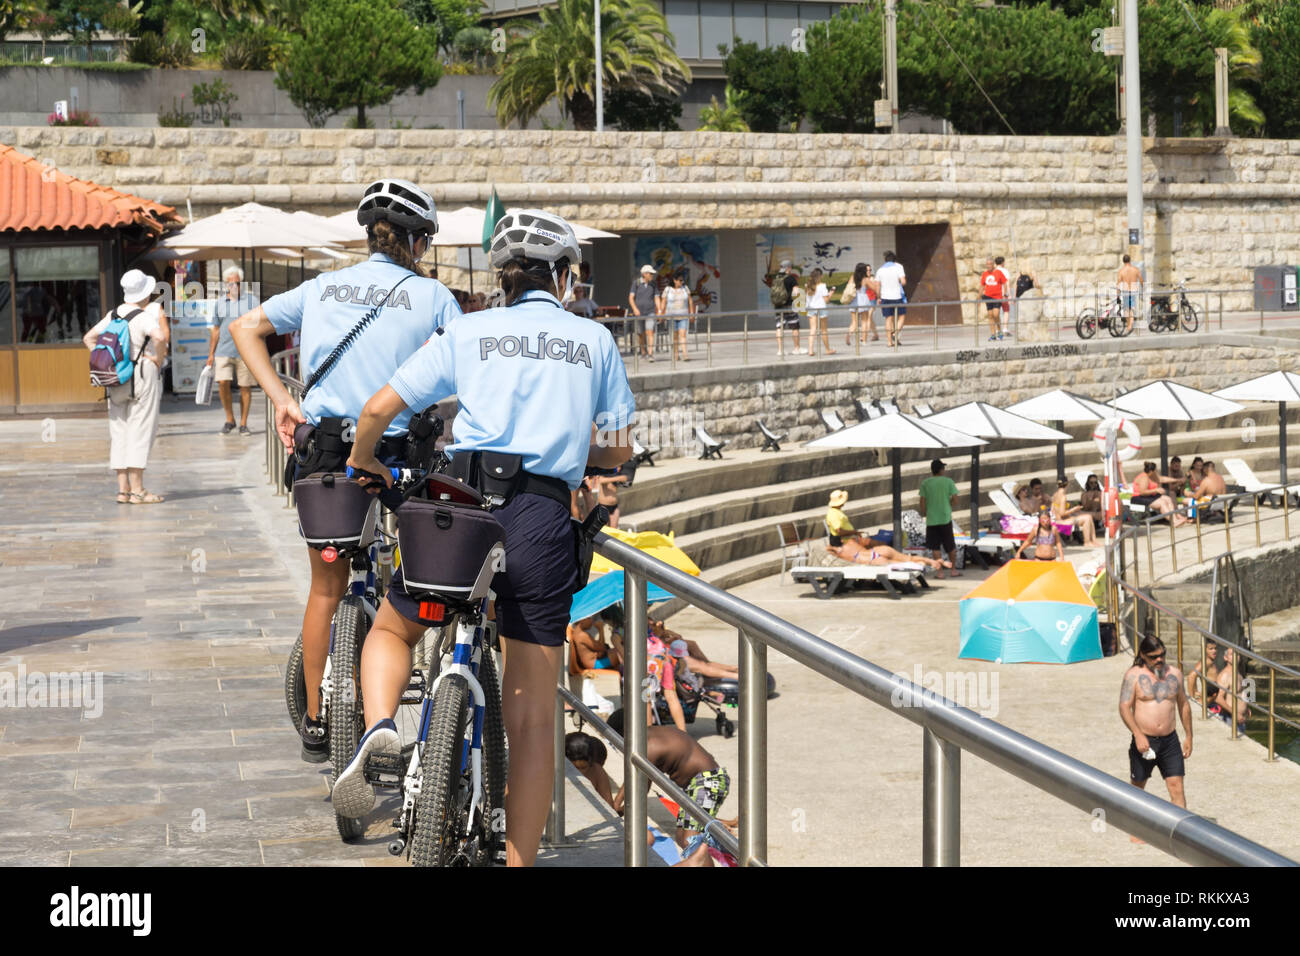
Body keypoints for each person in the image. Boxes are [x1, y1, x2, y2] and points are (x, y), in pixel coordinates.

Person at [339, 208, 634, 867]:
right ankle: (520, 860)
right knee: (531, 719)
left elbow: (378, 410)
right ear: (564, 276)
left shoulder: (469, 331)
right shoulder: (594, 341)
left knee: (391, 630)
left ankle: (383, 727)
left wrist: (365, 461)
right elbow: (616, 451)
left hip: (461, 509)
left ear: (504, 280)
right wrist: (589, 459)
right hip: (539, 518)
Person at [230, 178, 458, 766]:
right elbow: (464, 370)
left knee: (326, 589)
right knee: (423, 580)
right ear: (414, 241)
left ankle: (314, 719)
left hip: (327, 450)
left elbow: (242, 328)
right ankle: (405, 679)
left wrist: (283, 399)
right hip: (400, 453)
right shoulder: (431, 297)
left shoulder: (323, 286)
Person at [83, 269, 171, 504]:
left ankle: (123, 490)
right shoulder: (143, 316)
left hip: (116, 378)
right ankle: (138, 491)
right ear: (145, 293)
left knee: (119, 431)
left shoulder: (113, 315)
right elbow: (160, 338)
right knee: (141, 429)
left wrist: (109, 363)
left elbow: (89, 338)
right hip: (142, 372)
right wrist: (158, 359)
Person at [605, 711, 736, 864]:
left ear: (625, 734)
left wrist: (620, 807)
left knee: (690, 840)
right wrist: (617, 805)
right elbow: (635, 781)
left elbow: (639, 786)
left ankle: (718, 851)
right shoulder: (651, 735)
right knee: (681, 836)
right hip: (698, 784)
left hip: (708, 781)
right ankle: (717, 838)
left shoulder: (648, 747)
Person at [1119, 634, 1193, 827]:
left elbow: (1183, 704)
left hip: (1170, 740)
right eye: (1153, 656)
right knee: (1138, 787)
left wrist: (1189, 736)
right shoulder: (1133, 675)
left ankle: (1181, 834)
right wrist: (1137, 734)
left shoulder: (1175, 674)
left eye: (1162, 655)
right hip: (1145, 741)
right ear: (1143, 655)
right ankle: (1135, 829)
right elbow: (1124, 707)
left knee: (1177, 787)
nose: (1159, 659)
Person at [206, 265, 260, 436]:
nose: (234, 286)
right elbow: (215, 329)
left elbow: (259, 326)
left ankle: (243, 423)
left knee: (245, 386)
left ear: (241, 283)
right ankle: (230, 419)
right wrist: (211, 354)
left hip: (246, 351)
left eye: (237, 283)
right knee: (222, 383)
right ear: (226, 285)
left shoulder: (252, 301)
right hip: (223, 350)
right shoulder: (220, 303)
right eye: (231, 283)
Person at [918, 458, 961, 577]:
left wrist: (926, 513)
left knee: (935, 547)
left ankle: (940, 572)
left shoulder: (925, 483)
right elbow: (956, 500)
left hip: (932, 519)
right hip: (945, 518)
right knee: (950, 545)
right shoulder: (949, 482)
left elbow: (922, 501)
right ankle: (953, 570)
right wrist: (948, 505)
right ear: (941, 470)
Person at [1131, 461, 1189, 526]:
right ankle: (1174, 522)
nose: (1156, 472)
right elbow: (1142, 492)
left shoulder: (1152, 476)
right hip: (1139, 497)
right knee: (1162, 503)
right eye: (1155, 470)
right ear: (1152, 471)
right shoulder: (1144, 478)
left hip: (1149, 496)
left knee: (1168, 499)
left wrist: (1178, 480)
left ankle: (1175, 517)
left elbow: (1162, 479)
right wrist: (1156, 490)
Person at [1052, 478, 1097, 546]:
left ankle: (1093, 540)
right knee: (1087, 518)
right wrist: (1074, 509)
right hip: (1061, 522)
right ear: (1067, 484)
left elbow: (1054, 509)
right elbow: (1062, 513)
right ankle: (1087, 542)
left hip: (1057, 520)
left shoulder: (1055, 494)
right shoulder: (1063, 497)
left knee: (1089, 516)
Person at [1214, 645, 1249, 733]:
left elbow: (1239, 694)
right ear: (1225, 658)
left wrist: (1246, 709)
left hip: (1240, 718)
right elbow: (1218, 698)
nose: (1235, 656)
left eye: (1237, 654)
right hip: (1230, 718)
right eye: (1231, 654)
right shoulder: (1225, 675)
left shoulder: (1238, 674)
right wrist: (1235, 713)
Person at [661, 271, 694, 362]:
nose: (681, 282)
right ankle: (676, 354)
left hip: (683, 315)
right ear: (674, 280)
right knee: (674, 336)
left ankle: (685, 354)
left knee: (683, 335)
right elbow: (663, 302)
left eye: (682, 280)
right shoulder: (667, 289)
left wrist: (692, 313)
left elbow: (690, 301)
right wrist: (661, 313)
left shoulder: (685, 288)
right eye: (679, 280)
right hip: (671, 316)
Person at [876, 250, 907, 347]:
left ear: (885, 260)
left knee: (888, 319)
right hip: (897, 296)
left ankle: (889, 342)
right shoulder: (899, 267)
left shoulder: (880, 270)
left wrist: (879, 297)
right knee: (901, 315)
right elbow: (903, 282)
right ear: (894, 259)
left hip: (885, 297)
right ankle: (894, 333)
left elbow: (877, 286)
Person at [628, 263, 659, 361]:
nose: (652, 276)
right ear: (645, 274)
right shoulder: (636, 283)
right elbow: (631, 298)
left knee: (650, 331)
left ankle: (650, 353)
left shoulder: (654, 284)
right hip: (639, 312)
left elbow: (657, 298)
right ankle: (643, 351)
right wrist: (635, 309)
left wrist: (660, 310)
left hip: (650, 311)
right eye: (650, 274)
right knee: (640, 333)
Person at [846, 262, 880, 345]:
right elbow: (875, 288)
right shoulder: (865, 279)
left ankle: (849, 335)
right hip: (863, 300)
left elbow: (849, 287)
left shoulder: (852, 277)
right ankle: (864, 341)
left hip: (854, 300)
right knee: (864, 321)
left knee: (854, 322)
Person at [805, 268, 834, 356]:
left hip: (811, 308)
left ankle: (810, 350)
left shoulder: (807, 285)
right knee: (824, 330)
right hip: (821, 309)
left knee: (812, 330)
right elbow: (826, 300)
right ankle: (827, 349)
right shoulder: (822, 286)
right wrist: (831, 293)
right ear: (820, 276)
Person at [1185, 639, 1220, 709]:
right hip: (1209, 699)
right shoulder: (1207, 662)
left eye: (1215, 648)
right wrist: (1193, 696)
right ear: (1205, 649)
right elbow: (1191, 676)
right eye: (1211, 649)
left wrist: (1196, 691)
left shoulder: (1211, 661)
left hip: (1212, 697)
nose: (1214, 651)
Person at [775, 270, 802, 356]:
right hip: (790, 306)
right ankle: (796, 348)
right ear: (788, 269)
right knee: (794, 327)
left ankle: (780, 350)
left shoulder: (776, 279)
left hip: (778, 306)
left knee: (779, 327)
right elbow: (796, 292)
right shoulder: (791, 279)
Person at [978, 257, 1005, 341]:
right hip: (988, 296)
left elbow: (1005, 283)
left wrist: (1006, 294)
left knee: (996, 314)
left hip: (997, 296)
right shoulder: (985, 274)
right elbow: (982, 286)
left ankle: (999, 330)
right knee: (990, 315)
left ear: (993, 264)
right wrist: (979, 297)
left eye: (990, 264)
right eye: (987, 264)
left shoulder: (998, 272)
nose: (988, 266)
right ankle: (993, 334)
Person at [1117, 253, 1143, 335]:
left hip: (1125, 291)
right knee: (1131, 308)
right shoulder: (1135, 269)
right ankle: (1130, 325)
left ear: (1123, 261)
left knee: (1126, 309)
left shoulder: (1121, 271)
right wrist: (1142, 287)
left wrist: (1117, 294)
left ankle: (1129, 325)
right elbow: (1141, 280)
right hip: (1133, 290)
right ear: (1130, 260)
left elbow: (1118, 283)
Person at [994, 256, 1013, 336]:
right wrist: (1009, 295)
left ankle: (997, 329)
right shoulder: (1005, 271)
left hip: (995, 295)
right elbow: (1007, 283)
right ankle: (1005, 328)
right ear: (1002, 263)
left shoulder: (993, 271)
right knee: (1006, 311)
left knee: (996, 312)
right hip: (1003, 294)